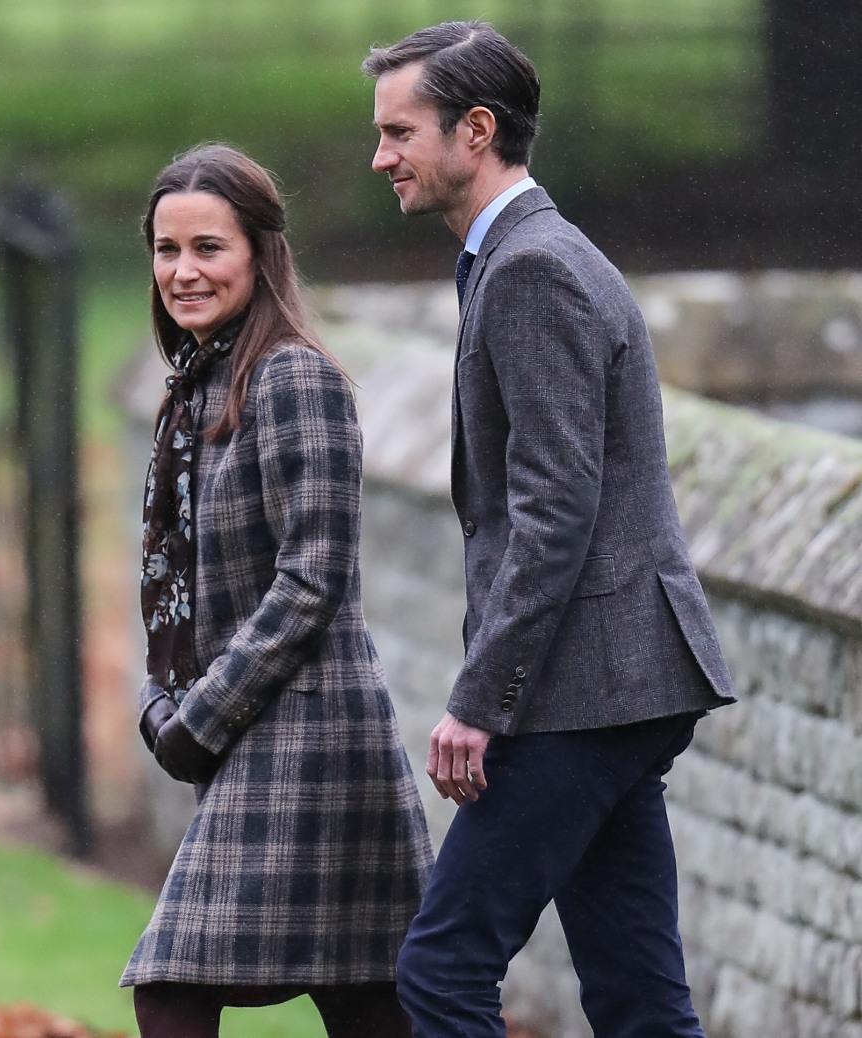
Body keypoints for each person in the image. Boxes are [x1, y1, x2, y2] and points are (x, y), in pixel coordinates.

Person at [363, 21, 737, 1038]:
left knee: (441, 969)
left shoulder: (532, 270)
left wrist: (480, 700)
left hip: (583, 689)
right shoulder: (519, 257)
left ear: (473, 130)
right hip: (616, 684)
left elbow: (554, 508)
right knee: (637, 1001)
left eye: (400, 133)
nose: (379, 158)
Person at [119, 141, 433, 1038]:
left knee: (174, 981)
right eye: (166, 248)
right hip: (252, 727)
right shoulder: (197, 387)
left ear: (261, 252)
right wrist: (158, 701)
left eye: (208, 248)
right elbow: (173, 578)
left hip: (313, 733)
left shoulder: (295, 378)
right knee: (367, 996)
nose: (182, 271)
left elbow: (313, 577)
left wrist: (198, 716)